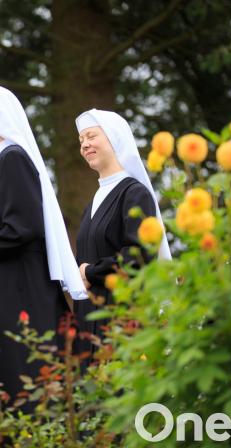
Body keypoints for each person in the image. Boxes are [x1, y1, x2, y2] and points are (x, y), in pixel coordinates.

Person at [0, 85, 89, 403]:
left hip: (18, 297)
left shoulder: (12, 160)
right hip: (5, 297)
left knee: (26, 390)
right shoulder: (0, 166)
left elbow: (22, 226)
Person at [74, 109, 172, 360]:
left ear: (114, 138)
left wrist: (90, 272)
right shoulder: (93, 201)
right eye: (81, 140)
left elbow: (139, 255)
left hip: (122, 316)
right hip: (88, 318)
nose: (85, 144)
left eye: (91, 136)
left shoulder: (134, 193)